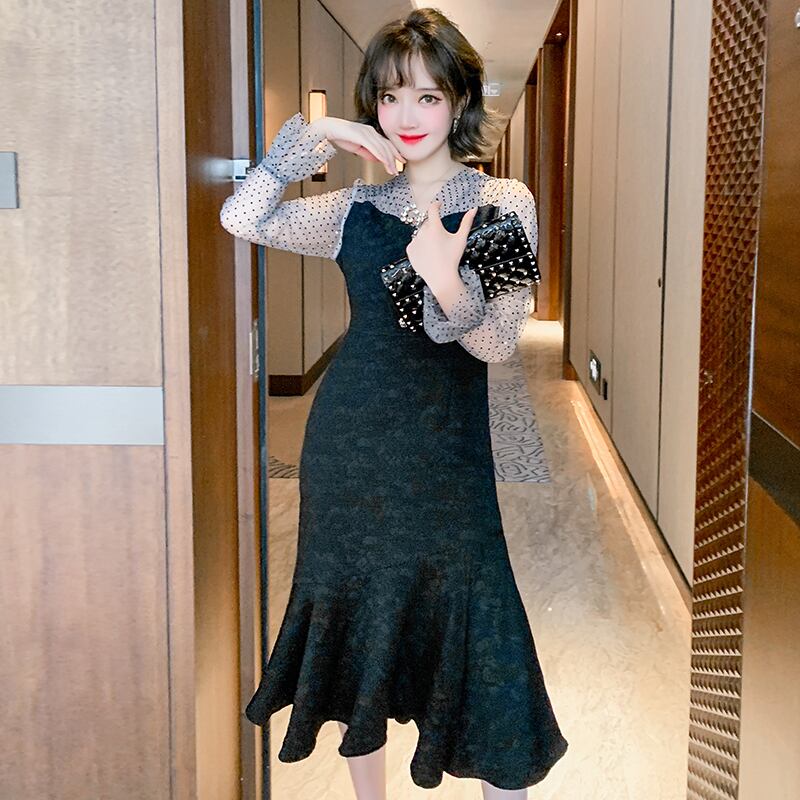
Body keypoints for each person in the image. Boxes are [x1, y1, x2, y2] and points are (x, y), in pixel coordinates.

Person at [219, 8, 569, 799]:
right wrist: (320, 132)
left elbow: (495, 345)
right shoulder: (353, 209)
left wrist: (444, 279)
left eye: (427, 96)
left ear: (460, 100)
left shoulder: (502, 201)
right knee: (356, 632)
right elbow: (241, 216)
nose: (406, 116)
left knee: (481, 630)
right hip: (350, 450)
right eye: (388, 97)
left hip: (448, 459)